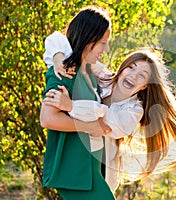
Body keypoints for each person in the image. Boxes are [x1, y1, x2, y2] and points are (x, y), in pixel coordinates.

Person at [43, 32, 176, 191]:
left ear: (145, 86)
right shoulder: (104, 77)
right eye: (131, 68)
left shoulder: (133, 110)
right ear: (122, 68)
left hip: (103, 171)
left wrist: (71, 106)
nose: (133, 76)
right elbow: (57, 40)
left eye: (142, 76)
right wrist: (58, 58)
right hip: (79, 163)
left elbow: (105, 120)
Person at [39, 6, 115, 199]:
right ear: (88, 39)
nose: (106, 49)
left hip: (91, 166)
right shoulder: (64, 72)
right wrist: (90, 126)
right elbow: (47, 118)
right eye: (103, 43)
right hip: (75, 171)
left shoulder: (90, 72)